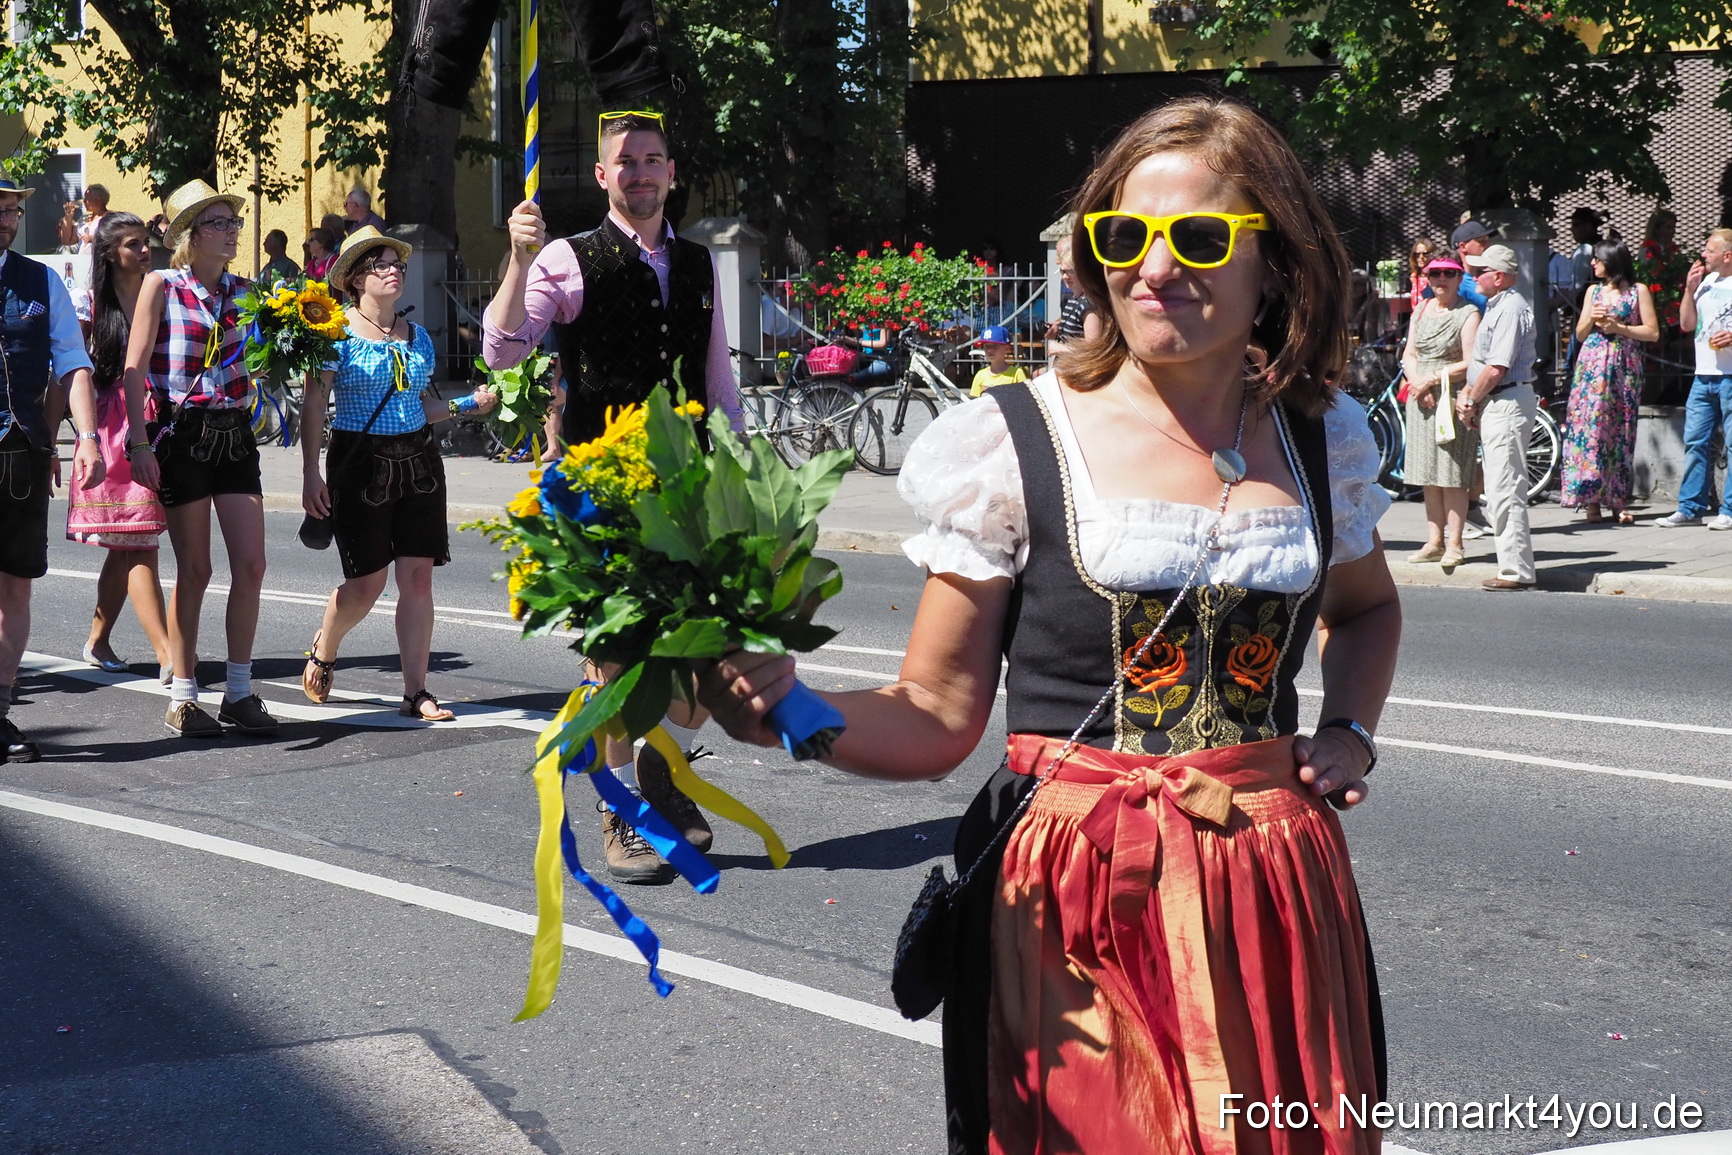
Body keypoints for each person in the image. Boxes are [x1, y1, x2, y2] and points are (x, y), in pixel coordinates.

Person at [699, 96, 1397, 1155]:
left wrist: (1347, 729)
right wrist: (785, 712)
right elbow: (935, 712)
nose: (1153, 268)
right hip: (1079, 891)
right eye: (1122, 237)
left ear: (1276, 262)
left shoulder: (1320, 436)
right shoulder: (1014, 440)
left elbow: (1368, 605)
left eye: (1198, 238)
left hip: (1271, 883)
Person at [483, 109, 745, 882]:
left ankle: (661, 768)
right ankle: (620, 804)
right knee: (616, 659)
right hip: (601, 489)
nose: (640, 172)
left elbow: (717, 379)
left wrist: (737, 470)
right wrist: (517, 260)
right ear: (602, 176)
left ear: (671, 172)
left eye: (653, 159)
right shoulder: (566, 258)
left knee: (697, 667)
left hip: (686, 487)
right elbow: (502, 350)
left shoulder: (698, 264)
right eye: (625, 162)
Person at [300, 228, 496, 719]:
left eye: (397, 265)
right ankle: (327, 643)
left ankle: (416, 691)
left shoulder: (419, 337)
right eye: (382, 265)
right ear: (355, 279)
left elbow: (419, 407)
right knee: (367, 584)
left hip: (420, 463)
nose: (394, 271)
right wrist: (308, 473)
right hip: (359, 462)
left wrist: (468, 405)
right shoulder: (334, 333)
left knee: (418, 579)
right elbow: (314, 404)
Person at [122, 179, 278, 738]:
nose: (233, 232)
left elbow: (260, 361)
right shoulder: (161, 284)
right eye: (220, 223)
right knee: (196, 568)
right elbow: (135, 369)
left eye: (234, 223)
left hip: (234, 431)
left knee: (253, 564)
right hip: (183, 432)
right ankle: (184, 694)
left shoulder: (247, 291)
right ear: (190, 235)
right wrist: (138, 443)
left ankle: (239, 691)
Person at [0, 177, 105, 761]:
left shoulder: (41, 281)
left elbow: (72, 363)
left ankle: (0, 708)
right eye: (0, 210)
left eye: (13, 211)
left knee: (15, 584)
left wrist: (84, 437)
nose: (8, 219)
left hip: (20, 452)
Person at [66, 212, 174, 678]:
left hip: (162, 425)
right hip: (114, 432)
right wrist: (64, 442)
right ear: (110, 254)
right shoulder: (89, 304)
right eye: (133, 244)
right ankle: (171, 656)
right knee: (138, 543)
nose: (144, 251)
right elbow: (70, 373)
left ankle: (97, 638)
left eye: (146, 242)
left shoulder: (167, 292)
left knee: (126, 544)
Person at [1455, 244, 1539, 590]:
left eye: (1479, 271)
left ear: (1498, 276)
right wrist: (1473, 397)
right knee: (1500, 486)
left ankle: (1516, 571)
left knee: (1505, 489)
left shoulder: (1509, 309)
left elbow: (1496, 367)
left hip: (1505, 401)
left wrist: (1472, 399)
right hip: (1499, 402)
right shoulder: (1500, 305)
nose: (1473, 276)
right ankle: (1513, 568)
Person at [1561, 241, 1658, 524]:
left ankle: (1617, 501)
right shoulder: (1593, 291)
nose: (1592, 264)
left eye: (1597, 259)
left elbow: (1652, 332)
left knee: (1620, 432)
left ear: (1611, 261)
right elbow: (1579, 335)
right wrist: (1590, 317)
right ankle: (1591, 501)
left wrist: (1620, 328)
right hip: (1592, 367)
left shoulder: (1637, 291)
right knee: (1591, 432)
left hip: (1623, 366)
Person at [1400, 254, 1480, 567]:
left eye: (1448, 274)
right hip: (1421, 395)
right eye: (1435, 275)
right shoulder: (1420, 310)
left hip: (1452, 395)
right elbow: (1409, 353)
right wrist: (1417, 383)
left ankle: (1456, 544)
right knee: (1427, 473)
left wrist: (1433, 380)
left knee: (1452, 473)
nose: (1440, 280)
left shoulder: (1468, 312)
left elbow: (1471, 361)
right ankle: (1434, 541)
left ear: (1459, 279)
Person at [1657, 228, 1732, 530]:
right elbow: (1687, 324)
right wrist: (1689, 290)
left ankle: (1728, 510)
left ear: (1727, 255)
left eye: (1709, 250)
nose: (1703, 255)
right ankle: (1690, 509)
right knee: (1695, 442)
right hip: (1704, 376)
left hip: (1730, 376)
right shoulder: (1706, 283)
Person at [1044, 235, 1101, 358]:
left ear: (1083, 271)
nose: (1065, 276)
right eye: (1063, 272)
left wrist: (1061, 348)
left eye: (1071, 271)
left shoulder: (1088, 304)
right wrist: (1058, 327)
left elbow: (1094, 350)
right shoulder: (1073, 300)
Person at [968, 325, 1027, 396]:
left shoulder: (1017, 374)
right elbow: (975, 402)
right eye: (986, 346)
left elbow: (1024, 399)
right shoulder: (980, 375)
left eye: (994, 346)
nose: (989, 350)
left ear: (1007, 348)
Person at [1449, 220, 1492, 312]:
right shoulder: (1455, 283)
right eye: (1482, 241)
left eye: (1488, 240)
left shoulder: (1491, 275)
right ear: (1463, 247)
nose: (1488, 245)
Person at [57, 184, 110, 251]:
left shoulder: (109, 218)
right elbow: (67, 241)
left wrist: (94, 239)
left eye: (87, 198)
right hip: (83, 260)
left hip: (100, 259)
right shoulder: (83, 219)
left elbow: (114, 239)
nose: (84, 201)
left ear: (98, 200)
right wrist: (68, 217)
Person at [1406, 236, 1438, 311]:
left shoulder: (1437, 276)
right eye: (1417, 254)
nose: (1421, 257)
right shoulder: (1413, 276)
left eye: (1425, 254)